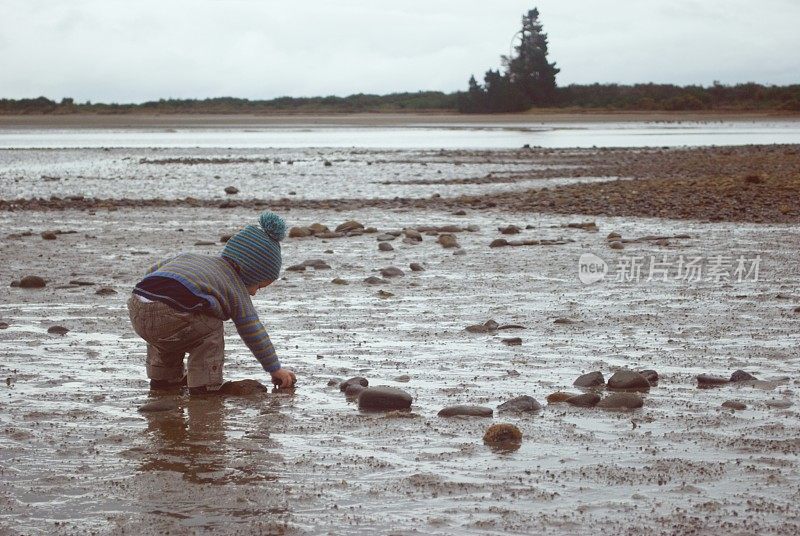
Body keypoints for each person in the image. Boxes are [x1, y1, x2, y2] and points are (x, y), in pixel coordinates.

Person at [127, 211, 296, 395]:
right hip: (172, 315)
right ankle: (205, 385)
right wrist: (274, 368)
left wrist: (155, 300)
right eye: (259, 286)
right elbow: (253, 330)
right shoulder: (234, 284)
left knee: (168, 332)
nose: (254, 293)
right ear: (250, 272)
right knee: (210, 328)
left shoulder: (191, 258)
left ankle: (163, 379)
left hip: (139, 307)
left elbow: (153, 271)